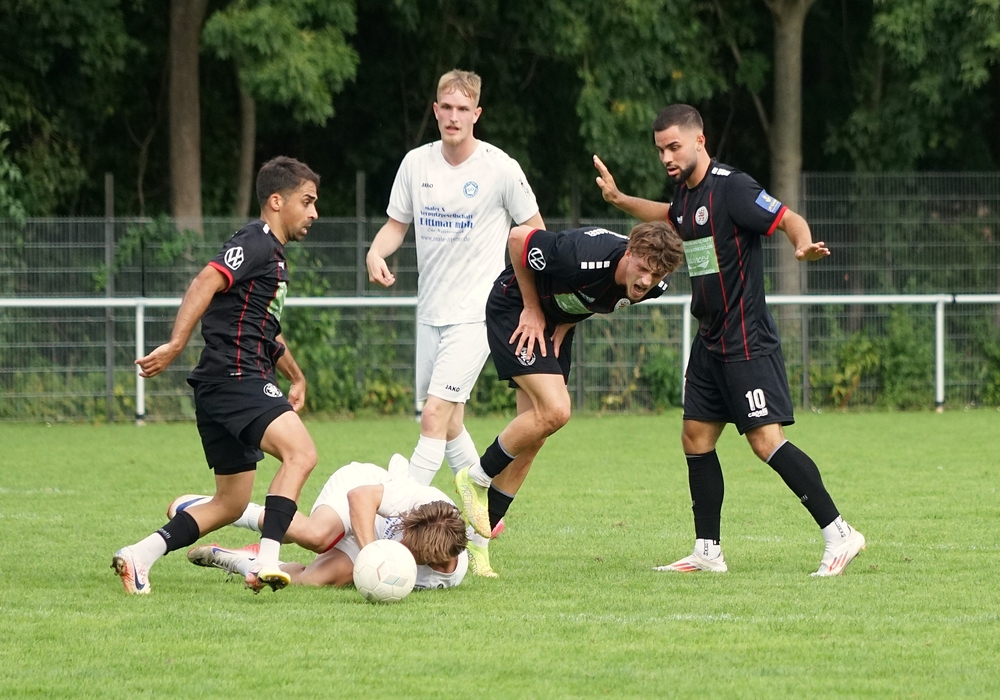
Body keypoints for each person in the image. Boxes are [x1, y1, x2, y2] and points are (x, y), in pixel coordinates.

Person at [593, 104, 866, 576]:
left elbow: (787, 218)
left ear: (700, 141)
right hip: (710, 339)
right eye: (660, 150)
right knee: (695, 438)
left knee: (765, 441)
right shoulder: (685, 195)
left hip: (745, 339)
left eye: (674, 147)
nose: (666, 158)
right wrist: (619, 199)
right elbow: (668, 215)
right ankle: (707, 551)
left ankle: (840, 533)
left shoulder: (733, 187)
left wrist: (802, 245)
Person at [113, 156, 322, 595]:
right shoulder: (257, 240)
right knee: (301, 454)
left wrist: (297, 376)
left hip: (221, 382)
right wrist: (175, 344)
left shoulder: (272, 256)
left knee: (230, 502)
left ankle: (140, 554)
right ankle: (265, 561)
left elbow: (266, 330)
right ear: (276, 201)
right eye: (307, 201)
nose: (314, 213)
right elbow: (205, 281)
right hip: (237, 376)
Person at [365, 69, 544, 574]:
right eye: (446, 107)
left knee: (433, 416)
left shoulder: (500, 168)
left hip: (477, 314)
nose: (453, 116)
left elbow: (535, 233)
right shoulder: (415, 163)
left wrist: (531, 301)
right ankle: (484, 522)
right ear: (436, 110)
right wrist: (375, 252)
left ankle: (397, 522)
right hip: (431, 313)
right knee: (451, 423)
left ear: (476, 114)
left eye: (463, 109)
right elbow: (396, 225)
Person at [453, 220, 685, 574]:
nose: (645, 280)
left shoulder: (654, 287)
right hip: (515, 308)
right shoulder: (578, 255)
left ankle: (475, 543)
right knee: (557, 410)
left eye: (655, 275)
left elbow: (599, 295)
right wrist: (532, 308)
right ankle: (476, 477)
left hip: (554, 323)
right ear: (629, 252)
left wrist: (570, 320)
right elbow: (518, 239)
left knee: (532, 441)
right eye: (642, 268)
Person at [180, 455, 469, 589]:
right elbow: (360, 497)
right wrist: (373, 557)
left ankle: (246, 561)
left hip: (372, 538)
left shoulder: (444, 577)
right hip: (361, 489)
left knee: (311, 581)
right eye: (404, 535)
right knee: (317, 535)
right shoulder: (424, 501)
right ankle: (232, 509)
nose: (403, 543)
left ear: (434, 559)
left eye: (410, 549)